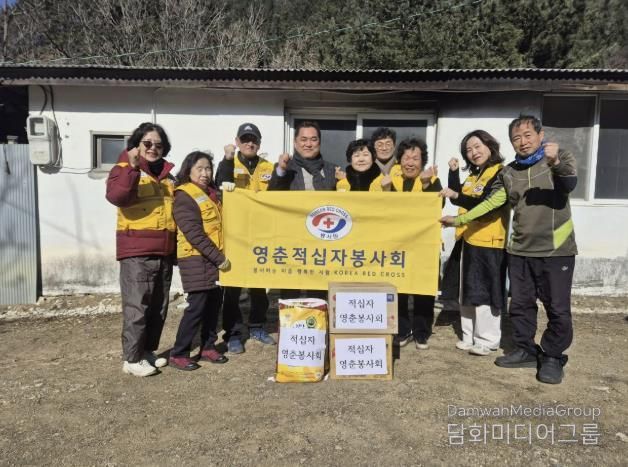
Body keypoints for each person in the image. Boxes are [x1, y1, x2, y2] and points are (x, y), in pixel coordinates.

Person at [441, 115, 578, 384]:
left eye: (528, 135)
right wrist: (458, 220)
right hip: (519, 249)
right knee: (520, 306)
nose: (523, 142)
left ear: (540, 135)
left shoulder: (558, 157)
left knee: (557, 308)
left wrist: (555, 163)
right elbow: (491, 203)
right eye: (517, 138)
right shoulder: (509, 172)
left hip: (556, 250)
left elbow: (568, 185)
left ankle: (552, 356)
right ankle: (525, 350)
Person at [105, 122, 175, 377]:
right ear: (136, 145)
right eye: (147, 143)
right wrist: (133, 168)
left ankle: (146, 352)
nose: (153, 148)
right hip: (137, 251)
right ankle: (131, 359)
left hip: (164, 250)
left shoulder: (168, 177)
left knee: (158, 308)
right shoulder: (123, 168)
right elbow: (117, 197)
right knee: (137, 307)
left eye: (159, 145)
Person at [439, 130, 509, 357]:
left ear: (490, 146)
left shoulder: (500, 173)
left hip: (489, 242)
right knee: (467, 291)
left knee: (485, 292)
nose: (473, 152)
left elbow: (483, 205)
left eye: (477, 146)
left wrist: (456, 201)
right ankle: (469, 335)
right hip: (467, 238)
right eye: (468, 150)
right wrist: (452, 173)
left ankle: (488, 339)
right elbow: (458, 196)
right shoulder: (474, 175)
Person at [371, 137, 442, 350]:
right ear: (399, 160)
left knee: (423, 288)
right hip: (397, 244)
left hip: (424, 244)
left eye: (415, 158)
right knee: (399, 287)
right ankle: (402, 330)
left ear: (423, 161)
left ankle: (422, 332)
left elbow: (438, 205)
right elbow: (380, 208)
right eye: (406, 158)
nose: (410, 163)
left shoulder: (431, 178)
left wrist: (427, 184)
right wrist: (386, 191)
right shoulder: (387, 178)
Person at [214, 123, 276, 354]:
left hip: (262, 234)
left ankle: (258, 325)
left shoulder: (269, 166)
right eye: (245, 139)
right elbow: (219, 186)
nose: (250, 143)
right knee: (233, 287)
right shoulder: (229, 163)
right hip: (235, 234)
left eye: (254, 140)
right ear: (237, 142)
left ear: (259, 143)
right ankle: (233, 333)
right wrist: (227, 158)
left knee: (260, 284)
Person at [169, 151, 230, 371]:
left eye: (208, 168)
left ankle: (208, 347)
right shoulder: (184, 196)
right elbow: (194, 234)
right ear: (189, 171)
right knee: (196, 307)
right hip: (196, 259)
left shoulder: (212, 194)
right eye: (200, 169)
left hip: (214, 259)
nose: (205, 173)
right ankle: (179, 353)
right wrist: (219, 258)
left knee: (213, 306)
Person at [269, 120, 338, 299]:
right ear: (295, 142)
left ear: (319, 142)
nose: (308, 144)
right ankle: (290, 317)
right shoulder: (286, 167)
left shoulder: (332, 169)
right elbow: (272, 196)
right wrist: (281, 170)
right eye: (304, 139)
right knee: (290, 290)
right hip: (293, 241)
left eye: (313, 139)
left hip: (323, 241)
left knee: (319, 290)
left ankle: (318, 315)